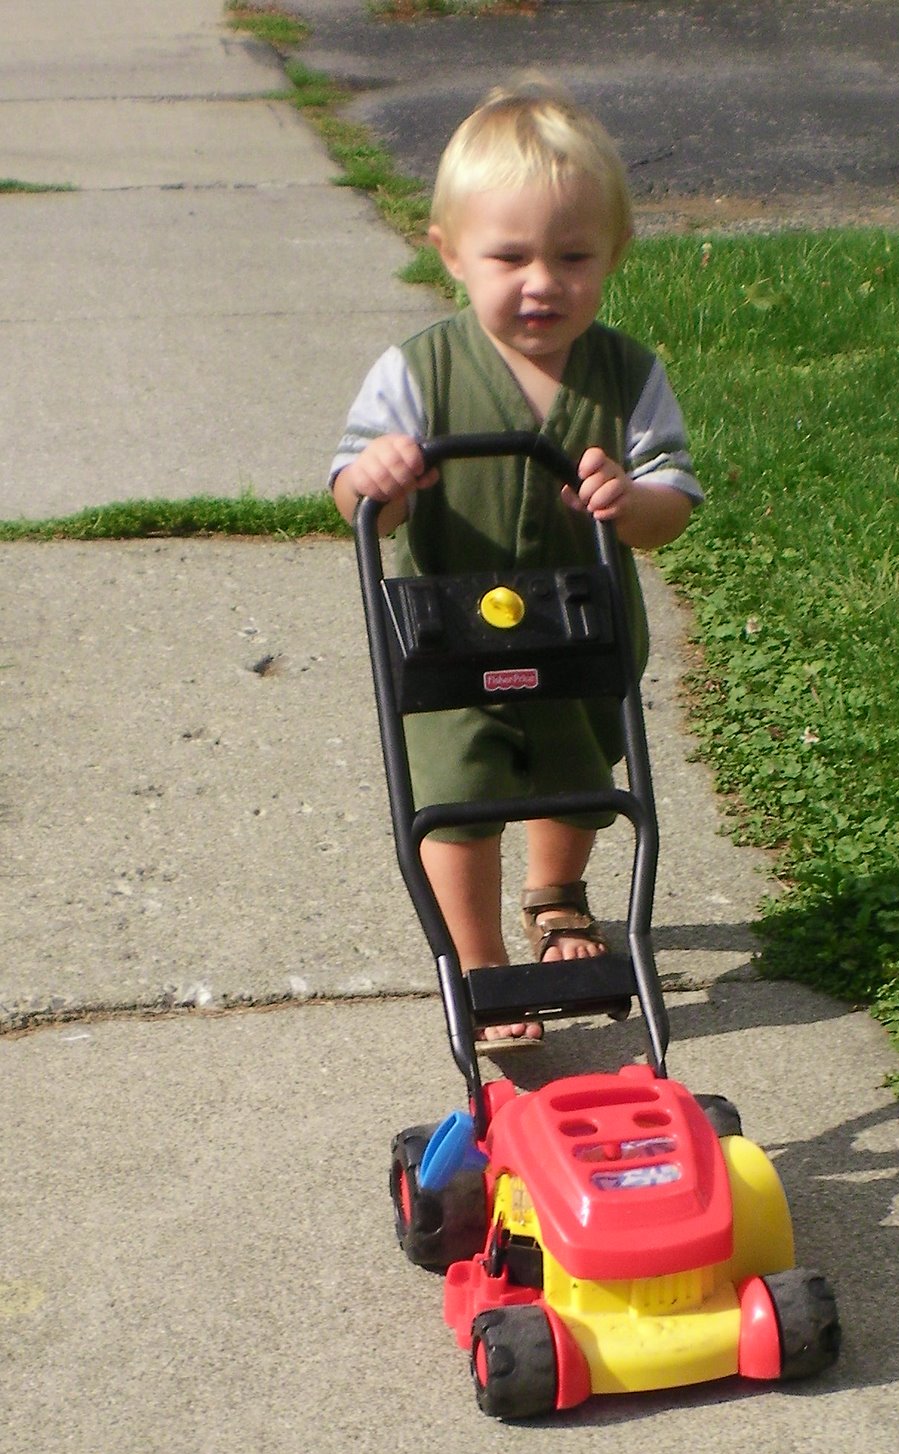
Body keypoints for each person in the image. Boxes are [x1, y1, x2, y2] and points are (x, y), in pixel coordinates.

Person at [331, 79, 702, 1046]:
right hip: (447, 634)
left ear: (613, 256)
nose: (542, 282)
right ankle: (480, 962)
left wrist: (632, 503)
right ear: (450, 252)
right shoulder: (417, 373)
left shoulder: (627, 376)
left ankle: (558, 896)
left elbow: (674, 505)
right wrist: (382, 477)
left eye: (573, 257)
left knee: (576, 765)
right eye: (510, 257)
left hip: (582, 623)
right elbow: (356, 498)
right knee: (454, 794)